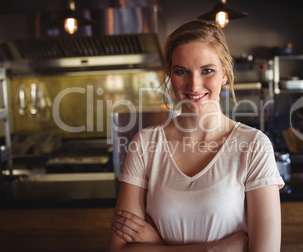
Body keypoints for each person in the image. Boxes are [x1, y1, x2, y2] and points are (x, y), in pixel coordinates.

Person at [108, 20, 284, 252]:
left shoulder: (254, 146)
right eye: (181, 71)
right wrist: (214, 249)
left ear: (224, 73)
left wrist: (156, 246)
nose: (194, 84)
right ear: (170, 75)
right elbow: (119, 249)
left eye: (207, 70)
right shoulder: (145, 143)